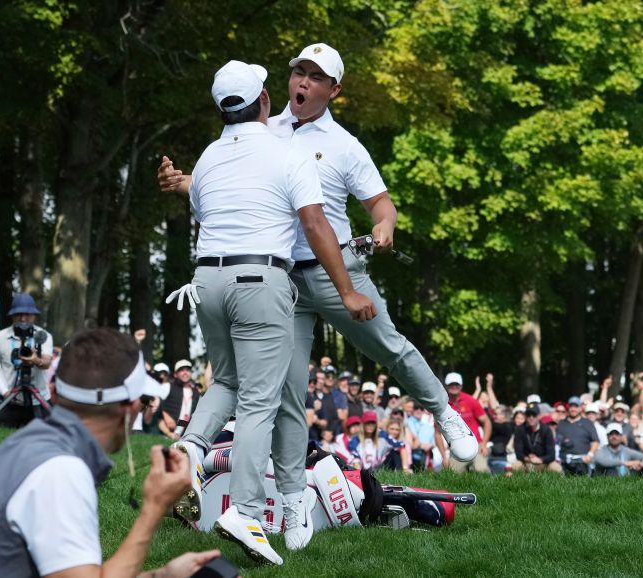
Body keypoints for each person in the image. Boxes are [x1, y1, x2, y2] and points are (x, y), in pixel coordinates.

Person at [158, 42, 477, 549]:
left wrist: (385, 225)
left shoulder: (346, 145)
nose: (302, 83)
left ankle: (445, 412)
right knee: (286, 396)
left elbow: (381, 204)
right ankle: (290, 507)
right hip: (280, 281)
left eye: (314, 77)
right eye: (297, 73)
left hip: (335, 274)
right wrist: (186, 183)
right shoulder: (264, 129)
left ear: (334, 90)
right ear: (281, 86)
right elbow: (237, 180)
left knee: (390, 347)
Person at [166, 59, 375, 566]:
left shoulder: (209, 158)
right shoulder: (287, 152)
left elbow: (210, 208)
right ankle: (247, 512)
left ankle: (190, 451)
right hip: (261, 281)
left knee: (227, 382)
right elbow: (316, 225)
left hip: (206, 280)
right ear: (264, 101)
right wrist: (347, 291)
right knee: (260, 400)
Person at [0, 328, 220, 578]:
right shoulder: (61, 469)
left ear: (55, 392)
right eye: (146, 400)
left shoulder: (40, 442)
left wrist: (162, 575)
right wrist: (153, 509)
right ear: (130, 407)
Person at [0, 293, 54, 427]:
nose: (23, 318)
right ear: (12, 315)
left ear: (34, 315)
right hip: (11, 400)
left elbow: (46, 362)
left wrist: (36, 360)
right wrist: (4, 391)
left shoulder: (43, 336)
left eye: (27, 314)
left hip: (38, 400)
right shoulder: (0, 337)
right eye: (18, 314)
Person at [436, 372, 491, 473]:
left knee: (481, 470)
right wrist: (444, 456)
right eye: (451, 384)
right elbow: (437, 433)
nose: (454, 387)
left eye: (456, 384)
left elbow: (487, 422)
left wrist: (484, 443)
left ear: (461, 386)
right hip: (456, 448)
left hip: (476, 444)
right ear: (446, 386)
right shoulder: (442, 405)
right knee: (452, 473)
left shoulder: (471, 401)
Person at [155, 359, 199, 439]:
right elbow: (153, 403)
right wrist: (165, 414)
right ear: (175, 374)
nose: (185, 372)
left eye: (188, 370)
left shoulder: (196, 392)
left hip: (183, 437)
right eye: (181, 370)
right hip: (163, 435)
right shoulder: (168, 386)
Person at [556, 396, 599, 475]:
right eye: (571, 406)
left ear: (580, 408)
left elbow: (595, 442)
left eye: (576, 406)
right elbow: (557, 442)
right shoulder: (561, 424)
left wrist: (590, 455)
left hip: (583, 461)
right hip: (564, 462)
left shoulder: (588, 423)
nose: (573, 409)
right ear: (568, 408)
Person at [512, 405, 561, 473]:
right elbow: (518, 453)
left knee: (556, 468)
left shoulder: (546, 430)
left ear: (539, 416)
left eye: (534, 415)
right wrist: (528, 459)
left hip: (543, 462)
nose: (531, 417)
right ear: (526, 416)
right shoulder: (520, 429)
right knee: (516, 466)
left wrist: (540, 459)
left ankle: (555, 483)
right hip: (526, 461)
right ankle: (519, 483)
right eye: (528, 415)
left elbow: (551, 455)